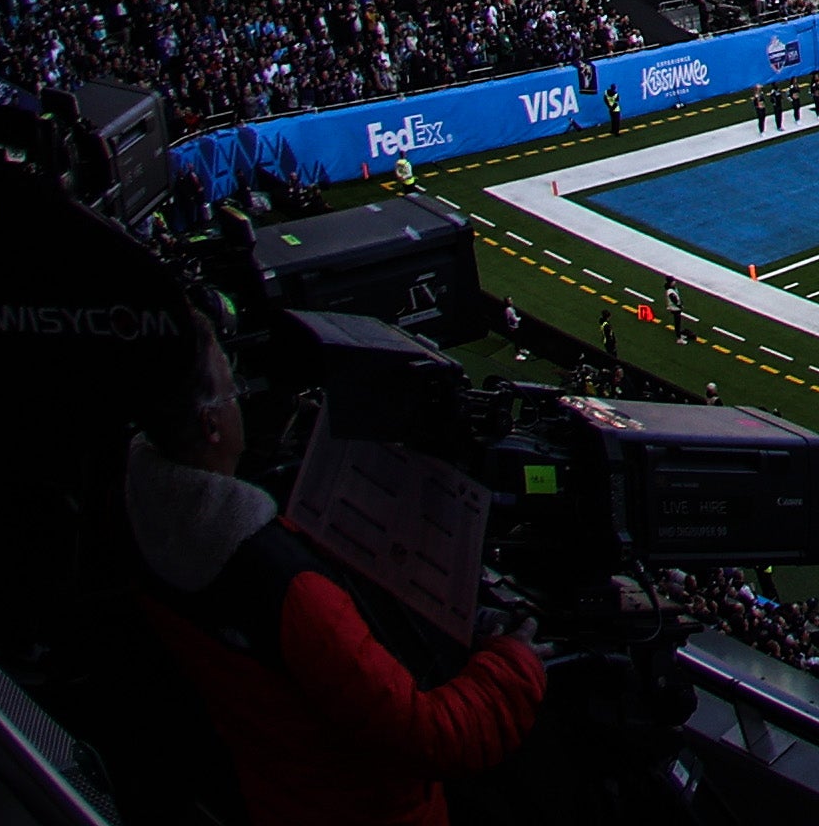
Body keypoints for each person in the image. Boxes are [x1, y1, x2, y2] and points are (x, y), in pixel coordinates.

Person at [130, 327, 548, 826]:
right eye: (234, 391)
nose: (244, 398)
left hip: (263, 788)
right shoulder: (284, 584)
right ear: (211, 425)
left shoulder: (137, 509)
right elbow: (430, 737)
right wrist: (515, 663)